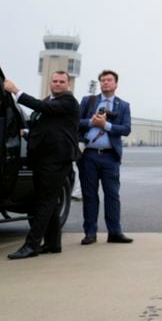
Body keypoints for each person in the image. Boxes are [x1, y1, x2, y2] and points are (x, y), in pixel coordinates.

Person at [4, 71, 79, 259]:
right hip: (43, 159)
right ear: (50, 83)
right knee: (50, 202)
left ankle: (32, 245)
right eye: (54, 81)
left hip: (57, 160)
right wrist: (26, 133)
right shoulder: (50, 101)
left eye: (62, 81)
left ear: (68, 85)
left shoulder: (68, 101)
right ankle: (53, 244)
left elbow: (42, 107)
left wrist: (16, 91)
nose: (58, 84)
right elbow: (45, 127)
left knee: (43, 203)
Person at [77, 69, 133, 245]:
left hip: (110, 157)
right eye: (102, 80)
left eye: (109, 80)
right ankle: (90, 233)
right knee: (89, 195)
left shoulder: (123, 105)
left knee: (112, 195)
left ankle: (114, 232)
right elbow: (75, 121)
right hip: (89, 155)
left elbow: (126, 129)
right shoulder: (88, 101)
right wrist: (91, 122)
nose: (105, 83)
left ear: (116, 84)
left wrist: (106, 125)